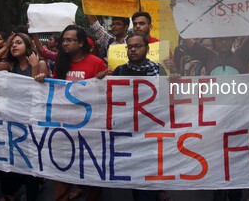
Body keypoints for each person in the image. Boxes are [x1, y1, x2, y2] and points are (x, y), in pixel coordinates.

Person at [34, 25, 105, 201]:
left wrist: (104, 79)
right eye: (63, 40)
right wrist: (44, 80)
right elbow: (57, 90)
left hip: (89, 130)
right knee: (61, 175)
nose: (64, 43)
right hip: (63, 128)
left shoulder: (96, 63)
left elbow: (104, 95)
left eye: (69, 40)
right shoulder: (61, 63)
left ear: (80, 43)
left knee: (91, 177)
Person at [97, 33, 166, 201]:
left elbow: (168, 99)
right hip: (130, 133)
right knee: (136, 177)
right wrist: (100, 82)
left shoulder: (159, 70)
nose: (133, 50)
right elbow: (110, 98)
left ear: (147, 49)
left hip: (152, 133)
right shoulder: (120, 71)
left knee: (149, 178)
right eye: (130, 47)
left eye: (138, 46)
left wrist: (175, 81)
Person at [0, 33, 47, 201]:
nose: (14, 46)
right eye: (12, 44)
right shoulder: (9, 66)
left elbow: (37, 91)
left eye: (18, 43)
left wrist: (34, 67)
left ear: (27, 45)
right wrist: (4, 47)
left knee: (30, 160)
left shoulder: (40, 63)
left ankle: (31, 191)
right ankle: (10, 193)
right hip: (12, 121)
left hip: (31, 121)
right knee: (13, 160)